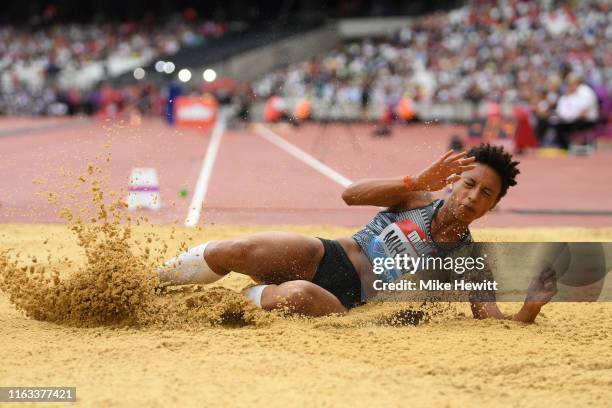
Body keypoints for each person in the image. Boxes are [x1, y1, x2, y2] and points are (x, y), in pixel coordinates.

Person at [157, 144, 557, 322]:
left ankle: (243, 300)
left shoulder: (470, 261)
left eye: (485, 194)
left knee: (296, 294)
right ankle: (145, 285)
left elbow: (491, 319)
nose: (472, 197)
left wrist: (530, 309)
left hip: (344, 301)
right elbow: (350, 195)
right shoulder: (416, 198)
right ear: (454, 181)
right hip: (325, 255)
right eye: (469, 184)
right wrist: (414, 178)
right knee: (241, 249)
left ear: (492, 206)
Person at [554, 74, 599, 149]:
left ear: (576, 82)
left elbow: (583, 112)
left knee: (564, 126)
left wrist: (569, 118)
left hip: (587, 120)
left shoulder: (585, 91)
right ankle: (566, 146)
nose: (569, 86)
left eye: (570, 84)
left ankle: (569, 146)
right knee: (559, 125)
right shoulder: (575, 92)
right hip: (578, 119)